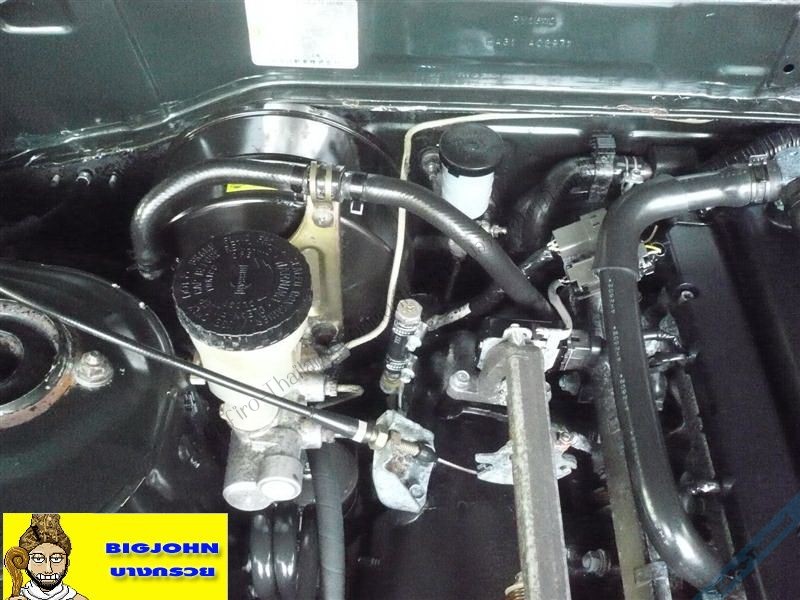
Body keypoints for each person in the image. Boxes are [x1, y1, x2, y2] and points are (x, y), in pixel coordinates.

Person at [6, 514, 87, 600]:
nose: (48, 570)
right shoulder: (18, 597)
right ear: (25, 561)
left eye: (56, 559)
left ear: (67, 562)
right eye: (38, 559)